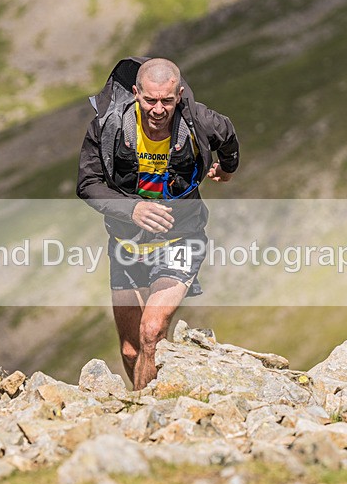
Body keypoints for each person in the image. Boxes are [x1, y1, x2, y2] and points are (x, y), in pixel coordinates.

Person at [77, 57, 239, 390]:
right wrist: (132, 209)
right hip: (126, 246)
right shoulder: (109, 125)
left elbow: (228, 136)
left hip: (181, 240)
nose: (158, 109)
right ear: (136, 93)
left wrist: (226, 168)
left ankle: (152, 410)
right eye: (150, 100)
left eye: (167, 100)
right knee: (130, 349)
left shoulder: (199, 120)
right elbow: (87, 183)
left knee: (151, 331)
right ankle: (141, 405)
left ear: (179, 95)